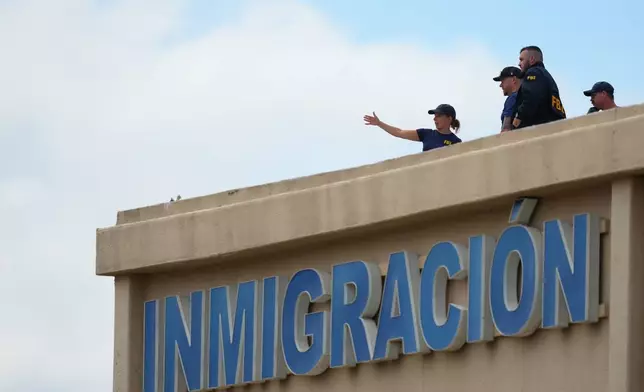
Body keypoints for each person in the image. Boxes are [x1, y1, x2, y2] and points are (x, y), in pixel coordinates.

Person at [363, 104, 462, 152]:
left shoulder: (456, 141)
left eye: (439, 116)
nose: (435, 119)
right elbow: (399, 132)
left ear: (449, 118)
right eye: (434, 116)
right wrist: (379, 123)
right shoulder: (426, 134)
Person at [512, 45, 566, 130]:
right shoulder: (546, 76)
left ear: (532, 59)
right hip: (554, 126)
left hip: (539, 128)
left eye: (521, 59)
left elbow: (531, 98)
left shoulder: (533, 73)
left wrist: (517, 120)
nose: (519, 64)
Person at [493, 66, 522, 132]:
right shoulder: (526, 96)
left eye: (502, 81)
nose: (500, 85)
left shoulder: (512, 98)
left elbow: (505, 129)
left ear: (514, 79)